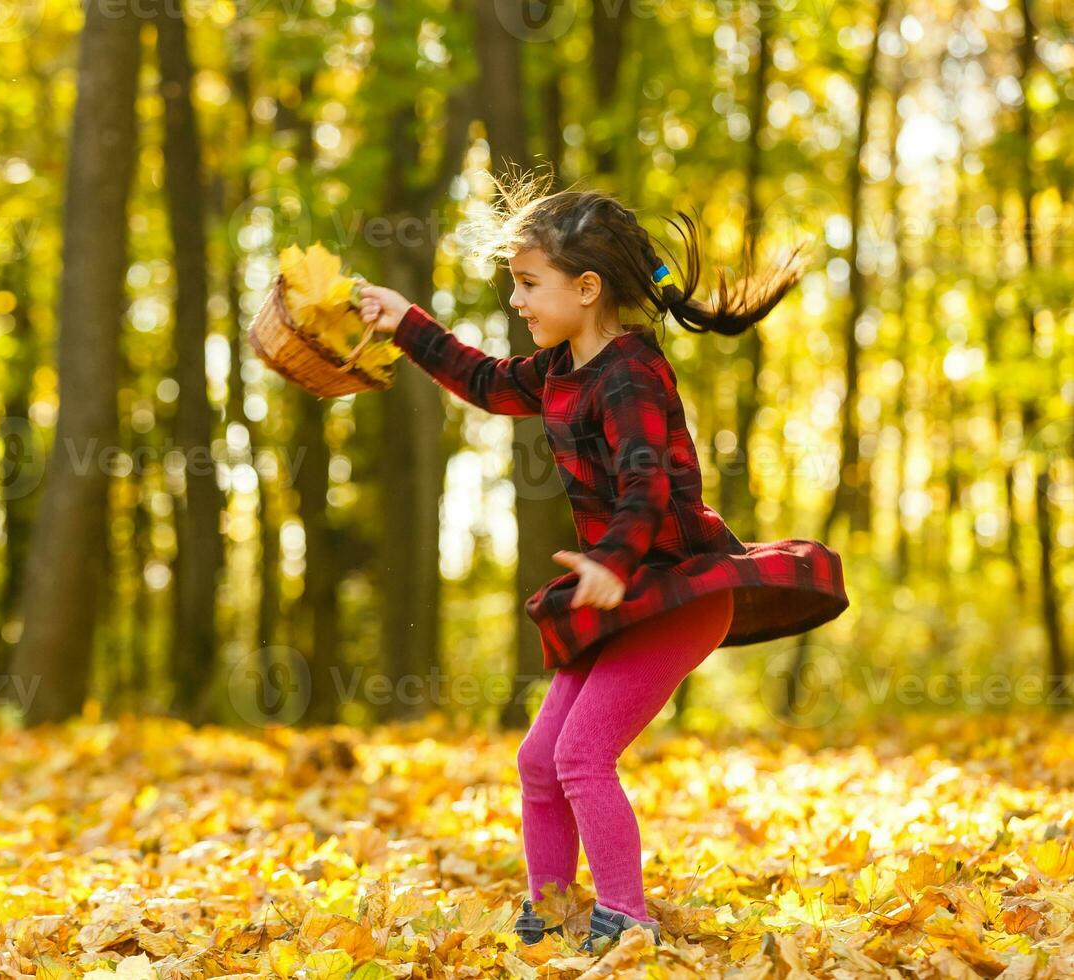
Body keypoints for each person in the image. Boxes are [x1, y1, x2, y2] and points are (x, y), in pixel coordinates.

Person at [356, 173, 849, 951]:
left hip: (676, 592)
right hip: (622, 589)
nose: (516, 302)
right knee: (538, 759)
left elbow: (647, 484)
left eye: (527, 284)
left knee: (583, 756)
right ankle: (549, 913)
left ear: (586, 288)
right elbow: (483, 381)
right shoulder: (558, 370)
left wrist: (614, 561)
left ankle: (627, 922)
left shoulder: (630, 373)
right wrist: (403, 322)